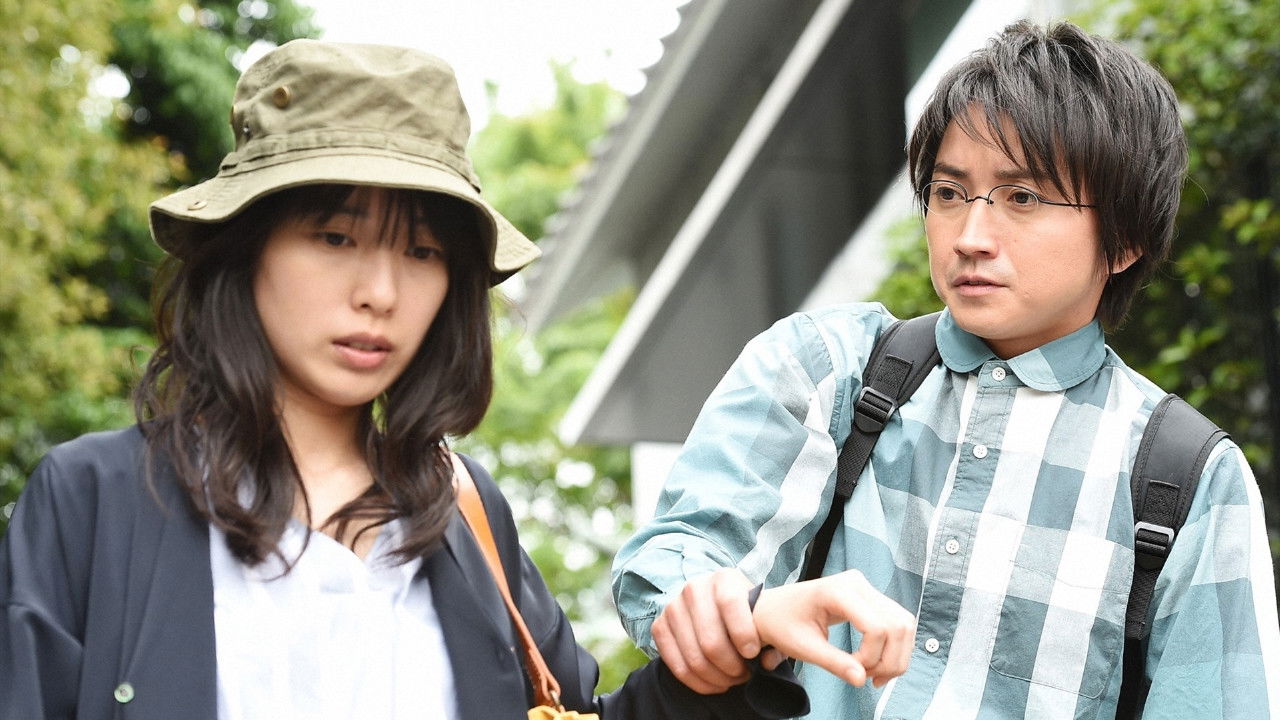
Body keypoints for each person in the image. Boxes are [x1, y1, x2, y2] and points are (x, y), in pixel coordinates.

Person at [0, 39, 896, 720]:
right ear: (246, 249)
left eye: (423, 251)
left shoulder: (461, 509)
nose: (381, 293)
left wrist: (730, 652)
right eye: (335, 237)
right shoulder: (93, 502)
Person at [611, 20, 1280, 720]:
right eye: (950, 193)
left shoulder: (1188, 480)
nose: (970, 237)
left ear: (1126, 239)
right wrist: (731, 616)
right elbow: (675, 562)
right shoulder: (828, 369)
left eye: (1023, 198)